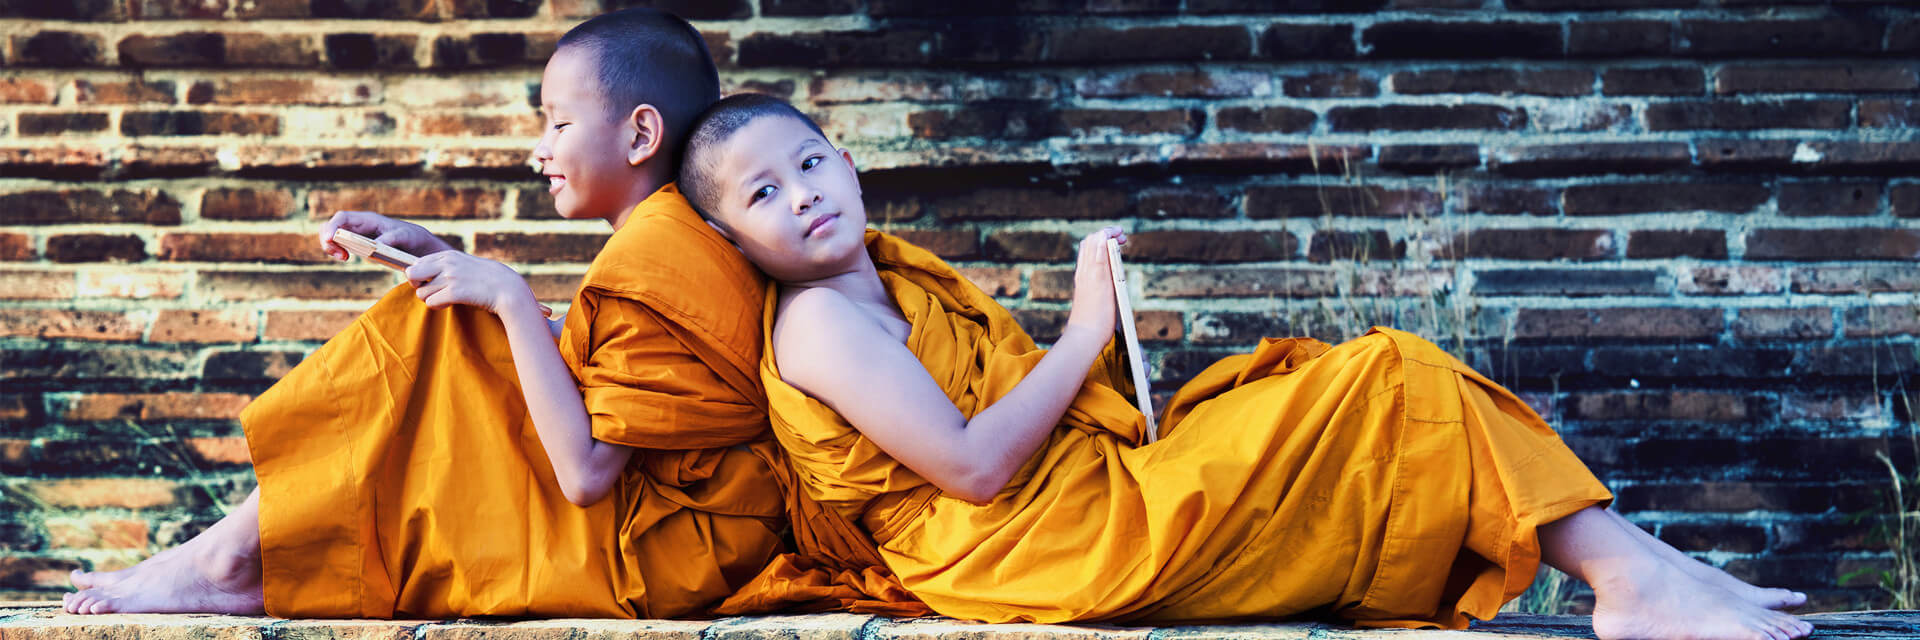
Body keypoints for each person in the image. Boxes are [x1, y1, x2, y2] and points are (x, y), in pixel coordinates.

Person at [673, 93, 1817, 640]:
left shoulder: (892, 276)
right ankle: (1630, 581)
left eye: (811, 162)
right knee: (1389, 380)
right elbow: (971, 470)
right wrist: (1084, 330)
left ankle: (1646, 567)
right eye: (764, 194)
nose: (805, 194)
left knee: (1373, 373)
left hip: (1078, 497)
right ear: (732, 239)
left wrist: (1098, 343)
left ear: (846, 159)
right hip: (1042, 546)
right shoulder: (818, 326)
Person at [63, 9, 802, 618]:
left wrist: (506, 295)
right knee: (447, 319)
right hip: (675, 527)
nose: (538, 151)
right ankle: (242, 562)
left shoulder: (658, 253)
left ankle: (225, 559)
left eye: (558, 125)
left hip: (667, 553)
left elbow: (584, 474)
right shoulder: (666, 237)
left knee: (440, 329)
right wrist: (437, 257)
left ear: (641, 135)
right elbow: (594, 358)